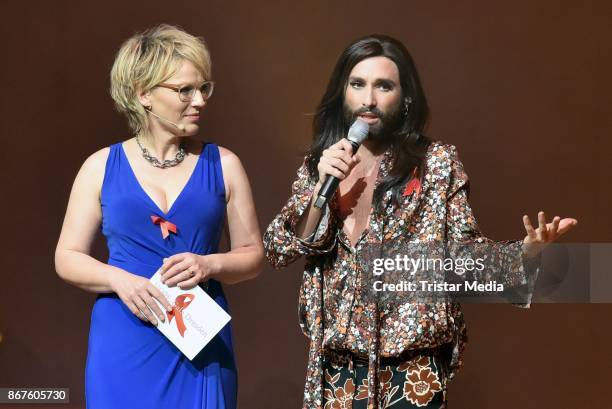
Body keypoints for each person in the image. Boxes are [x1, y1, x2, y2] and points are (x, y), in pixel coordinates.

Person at [264, 34, 577, 409]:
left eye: (384, 86)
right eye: (358, 84)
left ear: (405, 97)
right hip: (336, 367)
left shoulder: (436, 162)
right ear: (342, 93)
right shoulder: (322, 164)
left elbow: (464, 253)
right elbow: (278, 250)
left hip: (412, 367)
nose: (369, 100)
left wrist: (525, 252)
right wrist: (321, 191)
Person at [55, 25, 263, 409]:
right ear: (143, 94)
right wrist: (119, 280)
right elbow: (67, 257)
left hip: (198, 339)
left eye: (204, 88)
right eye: (184, 90)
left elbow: (252, 255)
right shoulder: (100, 167)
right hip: (125, 338)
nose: (199, 100)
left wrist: (209, 263)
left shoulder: (225, 164)